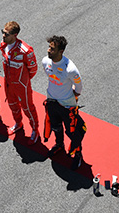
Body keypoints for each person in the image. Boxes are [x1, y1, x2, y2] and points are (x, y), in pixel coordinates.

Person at [42, 35, 86, 170]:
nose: (49, 50)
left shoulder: (70, 69)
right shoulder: (45, 61)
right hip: (51, 101)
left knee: (73, 132)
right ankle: (59, 145)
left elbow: (79, 87)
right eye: (49, 47)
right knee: (55, 126)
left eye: (52, 49)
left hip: (67, 105)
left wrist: (71, 96)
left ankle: (78, 154)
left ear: (61, 51)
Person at [0, 21, 40, 144]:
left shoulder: (25, 50)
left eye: (6, 34)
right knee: (12, 105)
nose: (3, 36)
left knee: (28, 108)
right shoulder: (4, 45)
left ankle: (35, 130)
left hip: (22, 85)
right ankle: (18, 123)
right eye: (3, 32)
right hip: (8, 83)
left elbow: (33, 69)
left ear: (15, 35)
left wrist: (24, 81)